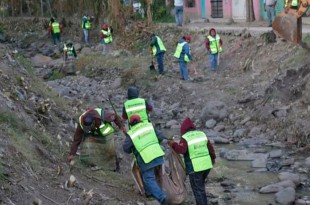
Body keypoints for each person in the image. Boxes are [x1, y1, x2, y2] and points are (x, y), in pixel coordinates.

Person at [169, 117, 216, 205]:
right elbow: (211, 149)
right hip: (207, 166)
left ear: (183, 129)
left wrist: (173, 144)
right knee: (201, 188)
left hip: (195, 168)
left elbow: (181, 150)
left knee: (198, 190)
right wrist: (213, 159)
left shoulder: (185, 137)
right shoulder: (201, 134)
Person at [123, 114, 168, 204]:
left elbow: (126, 148)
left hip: (145, 157)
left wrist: (134, 148)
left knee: (148, 178)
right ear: (140, 120)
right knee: (158, 175)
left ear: (130, 124)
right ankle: (151, 193)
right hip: (157, 154)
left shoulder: (132, 133)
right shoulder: (149, 126)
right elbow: (160, 137)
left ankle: (162, 197)